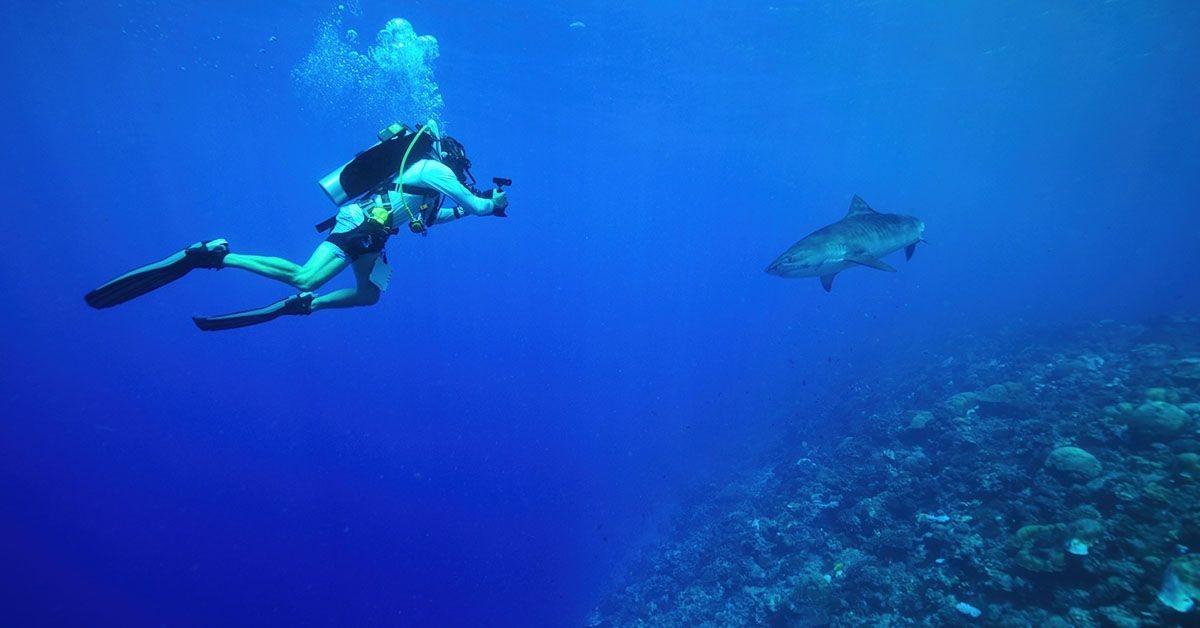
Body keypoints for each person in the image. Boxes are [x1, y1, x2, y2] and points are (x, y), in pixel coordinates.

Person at [85, 121, 508, 330]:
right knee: (305, 275)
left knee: (368, 296)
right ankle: (213, 255)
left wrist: (475, 206)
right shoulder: (434, 170)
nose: (463, 172)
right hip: (359, 223)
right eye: (462, 166)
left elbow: (445, 213)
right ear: (451, 158)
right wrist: (490, 203)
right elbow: (472, 206)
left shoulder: (431, 186)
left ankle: (304, 305)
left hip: (373, 234)